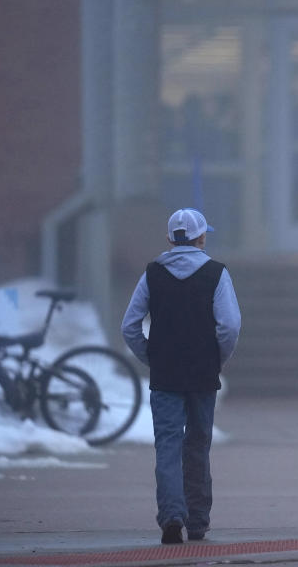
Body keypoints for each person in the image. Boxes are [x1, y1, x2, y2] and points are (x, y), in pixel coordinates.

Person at [121, 208, 241, 545]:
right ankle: (199, 521)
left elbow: (129, 326)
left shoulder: (152, 274)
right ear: (202, 238)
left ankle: (172, 516)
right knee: (198, 444)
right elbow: (229, 325)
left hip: (165, 374)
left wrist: (150, 356)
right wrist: (219, 357)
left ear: (170, 238)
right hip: (203, 373)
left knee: (168, 446)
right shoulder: (217, 274)